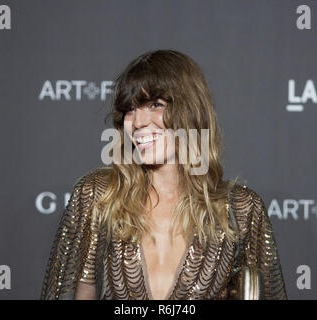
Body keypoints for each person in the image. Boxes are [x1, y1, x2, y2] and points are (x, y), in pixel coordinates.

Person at [40, 49, 287, 300]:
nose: (137, 122)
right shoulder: (99, 196)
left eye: (155, 105)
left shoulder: (239, 210)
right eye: (130, 109)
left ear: (190, 111)